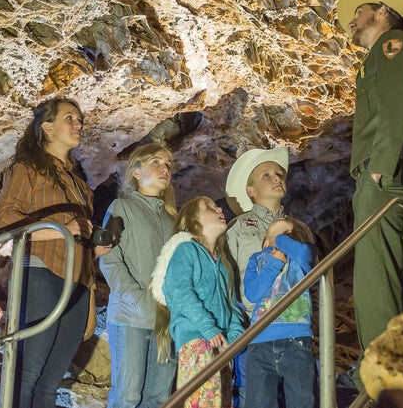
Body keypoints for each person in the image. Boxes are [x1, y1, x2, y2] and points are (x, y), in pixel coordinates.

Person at [0, 96, 113, 408]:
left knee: (49, 383)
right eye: (70, 118)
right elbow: (5, 220)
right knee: (27, 375)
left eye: (79, 119)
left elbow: (77, 232)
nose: (78, 124)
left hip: (78, 279)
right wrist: (59, 229)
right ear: (47, 128)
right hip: (42, 271)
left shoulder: (79, 184)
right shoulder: (27, 169)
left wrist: (93, 249)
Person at [335, 0, 403, 354]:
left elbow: (396, 107)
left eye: (358, 12)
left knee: (376, 279)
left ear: (380, 11)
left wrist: (379, 169)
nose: (351, 21)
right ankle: (392, 365)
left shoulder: (391, 44)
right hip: (388, 176)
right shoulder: (383, 52)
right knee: (383, 275)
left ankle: (381, 372)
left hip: (385, 178)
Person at [224, 148, 316, 408]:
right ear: (250, 190)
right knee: (253, 398)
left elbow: (313, 272)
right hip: (251, 326)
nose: (277, 178)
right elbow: (227, 276)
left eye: (279, 174)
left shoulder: (301, 229)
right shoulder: (238, 228)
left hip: (294, 323)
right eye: (266, 175)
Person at [100, 143, 180, 408]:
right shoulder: (122, 207)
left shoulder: (174, 220)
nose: (164, 168)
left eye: (168, 164)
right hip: (130, 316)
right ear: (136, 172)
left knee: (159, 398)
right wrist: (137, 297)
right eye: (156, 162)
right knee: (128, 396)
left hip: (166, 320)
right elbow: (109, 260)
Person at [150, 196, 246, 408]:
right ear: (193, 222)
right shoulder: (186, 251)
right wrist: (208, 328)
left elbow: (232, 306)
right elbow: (179, 291)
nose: (219, 207)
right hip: (197, 339)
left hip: (222, 346)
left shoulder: (223, 263)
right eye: (209, 208)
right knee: (203, 401)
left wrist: (234, 337)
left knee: (222, 402)